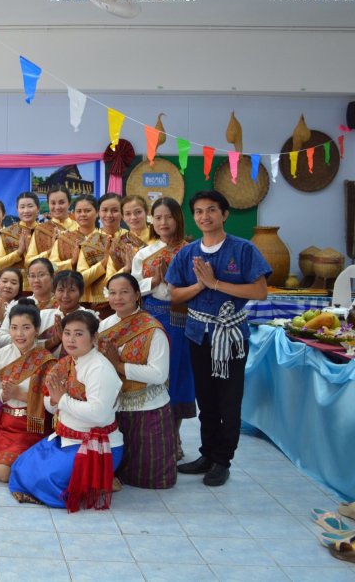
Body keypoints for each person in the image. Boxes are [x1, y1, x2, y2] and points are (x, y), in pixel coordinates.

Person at [167, 190, 270, 487]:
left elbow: (260, 291)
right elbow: (175, 295)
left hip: (231, 336)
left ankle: (223, 461)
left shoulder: (243, 249)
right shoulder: (187, 253)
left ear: (224, 214)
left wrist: (215, 283)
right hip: (198, 335)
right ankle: (207, 454)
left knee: (229, 400)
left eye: (211, 210)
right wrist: (200, 286)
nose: (205, 216)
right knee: (206, 399)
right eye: (199, 211)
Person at [8, 310, 124, 511]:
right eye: (67, 333)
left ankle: (100, 479)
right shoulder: (66, 363)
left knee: (48, 479)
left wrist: (62, 399)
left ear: (94, 337)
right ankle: (98, 483)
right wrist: (55, 400)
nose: (71, 339)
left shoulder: (99, 369)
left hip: (96, 446)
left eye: (79, 334)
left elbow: (99, 415)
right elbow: (49, 404)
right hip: (66, 437)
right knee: (21, 465)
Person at [99, 273, 177, 490]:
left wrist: (119, 366)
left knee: (151, 476)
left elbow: (159, 374)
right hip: (115, 404)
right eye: (113, 293)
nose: (118, 298)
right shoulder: (104, 326)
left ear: (136, 294)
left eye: (124, 292)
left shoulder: (152, 329)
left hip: (148, 407)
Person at [130, 197, 194, 456]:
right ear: (152, 221)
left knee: (176, 375)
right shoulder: (144, 253)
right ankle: (152, 436)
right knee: (152, 376)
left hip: (180, 320)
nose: (163, 222)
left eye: (168, 216)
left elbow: (197, 285)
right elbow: (133, 286)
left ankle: (174, 437)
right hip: (151, 319)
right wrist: (153, 282)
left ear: (178, 218)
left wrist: (173, 283)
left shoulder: (190, 251)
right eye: (158, 217)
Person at [0, 300, 55, 482]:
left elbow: (51, 402)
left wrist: (20, 395)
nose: (19, 334)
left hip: (30, 424)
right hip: (5, 421)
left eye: (26, 328)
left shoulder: (47, 360)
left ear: (37, 330)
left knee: (2, 472)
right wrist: (4, 394)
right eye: (14, 328)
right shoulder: (2, 354)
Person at [76, 193, 124, 316]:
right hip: (94, 306)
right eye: (104, 210)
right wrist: (103, 263)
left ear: (122, 213)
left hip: (126, 303)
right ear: (98, 213)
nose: (109, 215)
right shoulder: (90, 241)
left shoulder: (129, 239)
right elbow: (80, 279)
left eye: (114, 210)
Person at [26, 187, 76, 268]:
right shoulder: (41, 230)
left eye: (61, 202)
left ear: (69, 203)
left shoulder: (79, 227)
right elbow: (28, 262)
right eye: (53, 203)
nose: (57, 207)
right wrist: (49, 251)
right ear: (48, 204)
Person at [0, 191, 38, 281]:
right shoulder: (6, 233)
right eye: (22, 207)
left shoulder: (47, 231)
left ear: (38, 208)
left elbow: (54, 263)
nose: (26, 211)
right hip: (15, 283)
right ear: (17, 209)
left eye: (30, 206)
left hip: (41, 283)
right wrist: (18, 252)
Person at [48, 194, 96, 274]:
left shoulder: (105, 239)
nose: (83, 214)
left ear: (97, 212)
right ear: (74, 213)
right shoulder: (63, 238)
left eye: (87, 211)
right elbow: (52, 267)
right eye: (79, 211)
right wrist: (71, 262)